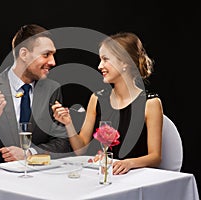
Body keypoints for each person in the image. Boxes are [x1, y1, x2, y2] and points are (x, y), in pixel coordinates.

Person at [0, 24, 71, 169]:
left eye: (53, 55)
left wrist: (29, 153)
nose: (53, 62)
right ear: (23, 54)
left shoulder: (52, 89)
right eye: (46, 54)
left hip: (35, 178)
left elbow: (62, 143)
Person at [52, 32, 163, 175]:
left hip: (135, 177)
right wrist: (68, 124)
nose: (99, 66)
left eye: (105, 59)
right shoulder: (97, 98)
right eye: (100, 60)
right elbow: (80, 150)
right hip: (105, 176)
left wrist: (128, 163)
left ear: (124, 63)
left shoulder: (150, 103)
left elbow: (155, 157)